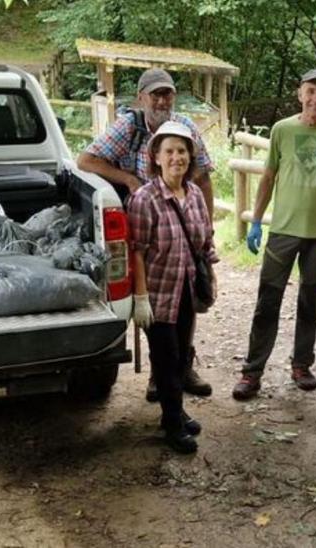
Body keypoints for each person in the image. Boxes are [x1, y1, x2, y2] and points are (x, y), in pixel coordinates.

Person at [77, 68, 216, 400]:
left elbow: (205, 175)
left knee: (188, 296)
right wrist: (127, 179)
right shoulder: (130, 126)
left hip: (182, 224)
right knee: (156, 300)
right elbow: (85, 160)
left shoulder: (183, 127)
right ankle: (161, 373)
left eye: (167, 93)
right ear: (141, 97)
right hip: (147, 224)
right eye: (155, 94)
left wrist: (206, 231)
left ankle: (181, 366)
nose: (162, 100)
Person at [232, 70, 316, 400]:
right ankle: (252, 371)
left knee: (310, 302)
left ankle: (302, 364)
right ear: (300, 94)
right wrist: (256, 221)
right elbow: (268, 177)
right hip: (283, 230)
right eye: (311, 91)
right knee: (268, 301)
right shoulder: (282, 130)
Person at [128, 121, 218, 454]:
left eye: (182, 151)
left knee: (182, 356)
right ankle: (173, 424)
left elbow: (205, 239)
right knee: (166, 359)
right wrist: (140, 298)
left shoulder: (194, 194)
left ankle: (175, 412)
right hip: (157, 292)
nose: (176, 157)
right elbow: (137, 250)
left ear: (190, 156)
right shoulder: (144, 199)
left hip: (187, 288)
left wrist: (212, 275)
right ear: (155, 157)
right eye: (169, 151)